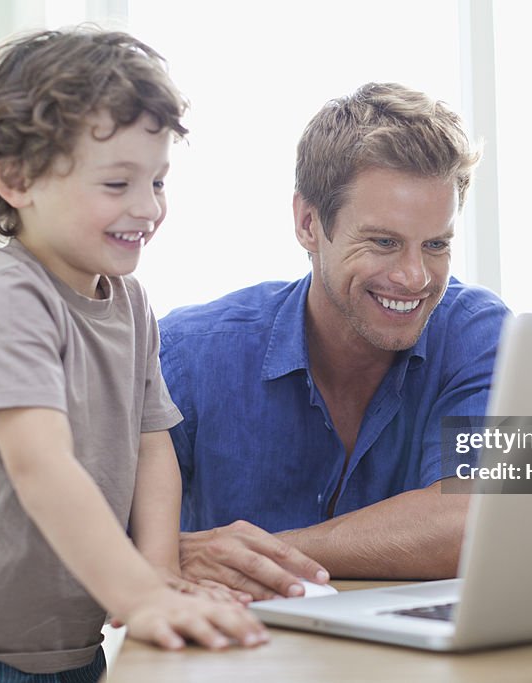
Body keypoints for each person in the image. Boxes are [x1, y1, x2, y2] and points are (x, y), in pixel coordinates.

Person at [0, 28, 267, 683]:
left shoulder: (131, 303)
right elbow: (43, 466)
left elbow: (153, 443)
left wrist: (158, 576)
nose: (147, 206)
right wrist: (139, 594)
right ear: (17, 180)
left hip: (67, 655)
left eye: (157, 180)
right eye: (116, 182)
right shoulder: (7, 299)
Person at [158, 82, 509, 601]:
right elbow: (96, 537)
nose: (414, 277)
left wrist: (255, 555)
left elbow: (479, 519)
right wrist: (169, 554)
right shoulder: (187, 355)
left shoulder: (480, 333)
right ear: (307, 224)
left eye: (436, 245)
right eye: (384, 242)